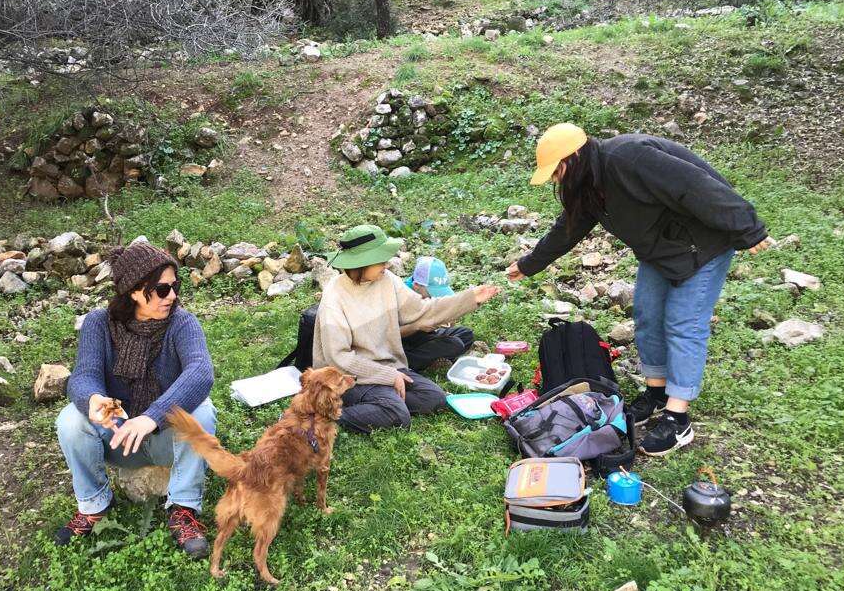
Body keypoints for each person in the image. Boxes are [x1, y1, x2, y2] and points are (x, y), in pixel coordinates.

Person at [507, 123, 772, 456]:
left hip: (704, 245)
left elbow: (694, 186)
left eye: (557, 170)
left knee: (683, 324)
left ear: (573, 157)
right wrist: (530, 263)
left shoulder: (628, 158)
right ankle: (658, 392)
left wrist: (748, 227)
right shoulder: (590, 183)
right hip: (660, 252)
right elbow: (568, 227)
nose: (557, 179)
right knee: (647, 316)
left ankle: (678, 419)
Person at [54, 240, 217, 557]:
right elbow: (83, 374)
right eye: (161, 289)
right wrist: (94, 400)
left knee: (203, 410)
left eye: (174, 286)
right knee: (70, 420)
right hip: (119, 428)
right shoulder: (99, 323)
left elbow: (200, 372)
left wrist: (151, 417)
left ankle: (183, 508)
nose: (172, 296)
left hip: (164, 433)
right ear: (132, 291)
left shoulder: (182, 323)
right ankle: (94, 504)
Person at [313, 224, 499, 433]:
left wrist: (469, 298)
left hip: (389, 366)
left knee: (435, 399)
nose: (386, 264)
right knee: (397, 414)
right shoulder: (335, 297)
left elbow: (422, 310)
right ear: (361, 263)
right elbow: (339, 358)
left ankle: (379, 402)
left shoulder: (387, 280)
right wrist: (388, 377)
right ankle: (322, 418)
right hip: (350, 377)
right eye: (380, 259)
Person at [402, 256, 475, 371]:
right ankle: (405, 363)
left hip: (425, 335)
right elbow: (390, 335)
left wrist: (447, 318)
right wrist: (417, 326)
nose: (435, 297)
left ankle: (432, 359)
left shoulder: (421, 290)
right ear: (416, 285)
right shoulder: (401, 297)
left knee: (466, 333)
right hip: (404, 342)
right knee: (456, 344)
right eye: (432, 293)